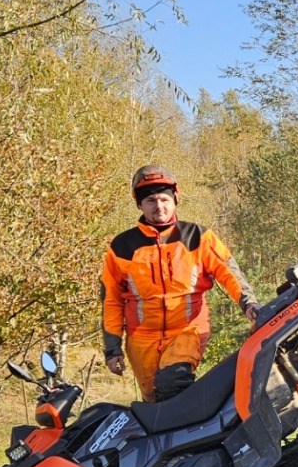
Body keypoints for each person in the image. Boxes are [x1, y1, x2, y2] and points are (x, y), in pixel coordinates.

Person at [100, 164, 260, 402]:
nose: (159, 206)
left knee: (173, 383)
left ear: (175, 199)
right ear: (140, 205)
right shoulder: (122, 247)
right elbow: (111, 302)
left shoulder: (198, 237)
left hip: (187, 330)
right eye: (151, 200)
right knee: (156, 405)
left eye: (164, 198)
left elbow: (228, 273)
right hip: (141, 340)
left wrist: (249, 304)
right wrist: (113, 349)